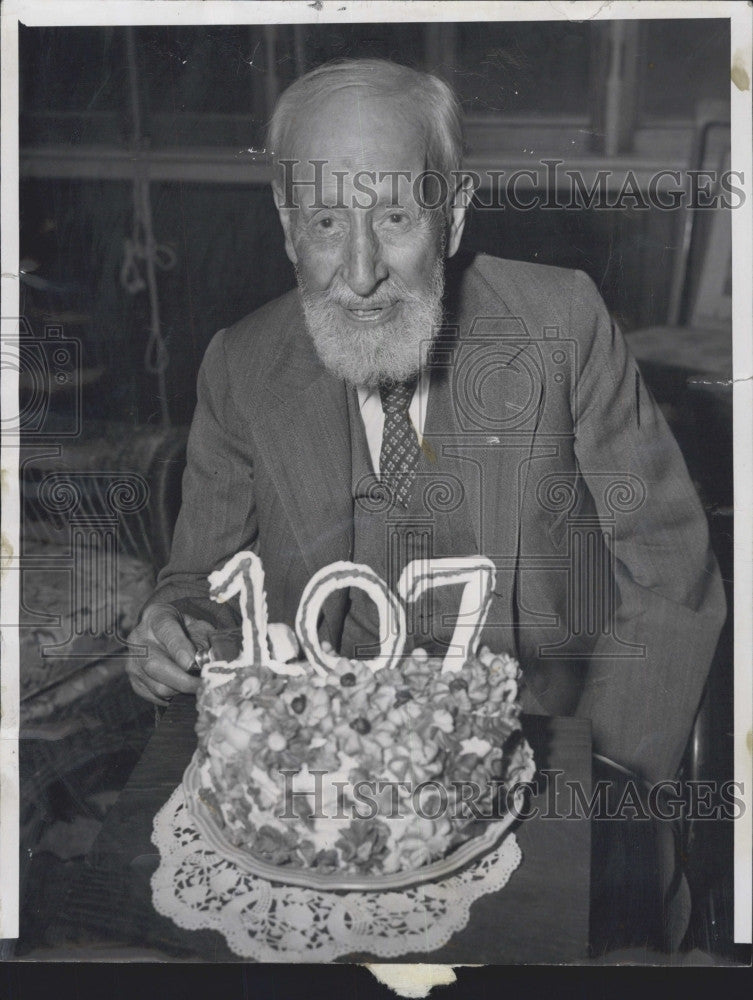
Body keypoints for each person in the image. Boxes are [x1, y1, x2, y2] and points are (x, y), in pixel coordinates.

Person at [126, 58, 725, 791]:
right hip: (324, 770)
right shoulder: (240, 366)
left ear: (453, 215)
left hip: (537, 760)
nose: (360, 272)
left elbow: (668, 574)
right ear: (288, 229)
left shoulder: (561, 323)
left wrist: (593, 787)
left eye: (394, 217)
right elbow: (203, 583)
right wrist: (173, 627)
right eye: (324, 221)